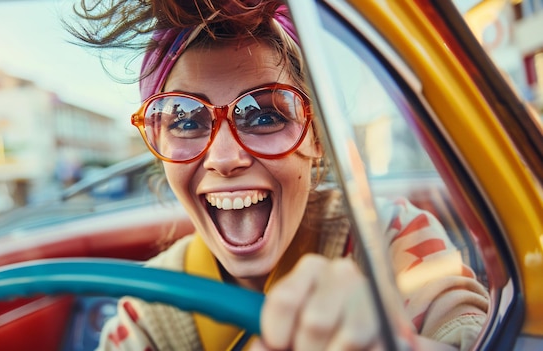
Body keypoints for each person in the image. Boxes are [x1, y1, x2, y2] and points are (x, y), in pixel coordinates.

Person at [67, 1, 489, 350]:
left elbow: (468, 334)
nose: (224, 157)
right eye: (186, 121)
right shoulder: (145, 311)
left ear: (318, 138)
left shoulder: (390, 237)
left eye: (263, 114)